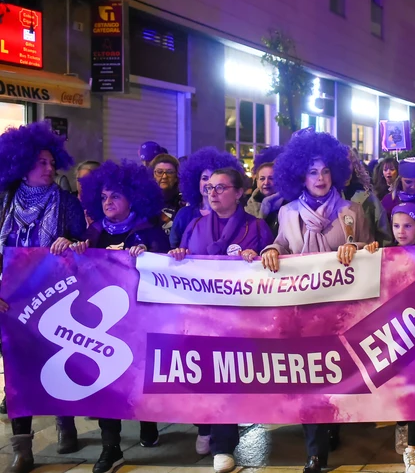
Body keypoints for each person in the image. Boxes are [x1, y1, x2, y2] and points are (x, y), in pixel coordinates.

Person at [258, 130, 372, 473]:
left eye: (324, 171)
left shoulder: (352, 211)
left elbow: (371, 251)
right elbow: (280, 243)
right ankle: (315, 453)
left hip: (341, 312)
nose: (320, 178)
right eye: (312, 172)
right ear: (299, 175)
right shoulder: (288, 212)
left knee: (336, 376)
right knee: (311, 379)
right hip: (302, 311)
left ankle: (330, 426)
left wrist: (361, 250)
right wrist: (272, 250)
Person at [169, 167, 273, 473]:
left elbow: (271, 266)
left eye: (221, 188)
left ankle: (223, 444)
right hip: (201, 316)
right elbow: (180, 259)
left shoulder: (255, 226)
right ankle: (206, 427)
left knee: (227, 377)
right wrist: (177, 255)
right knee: (203, 375)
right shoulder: (195, 225)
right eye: (210, 188)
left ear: (239, 192)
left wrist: (261, 256)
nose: (213, 193)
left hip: (240, 316)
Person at [71, 160, 169, 473]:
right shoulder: (94, 231)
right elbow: (77, 264)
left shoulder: (150, 232)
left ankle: (148, 421)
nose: (108, 202)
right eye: (102, 197)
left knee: (141, 376)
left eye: (114, 196)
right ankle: (110, 447)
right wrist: (70, 247)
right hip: (103, 322)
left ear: (133, 198)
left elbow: (167, 273)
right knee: (106, 382)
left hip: (141, 320)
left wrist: (152, 259)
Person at [0, 122, 88, 473]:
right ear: (22, 164)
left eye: (53, 162)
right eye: (41, 163)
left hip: (57, 293)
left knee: (58, 359)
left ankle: (65, 424)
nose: (50, 168)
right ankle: (23, 448)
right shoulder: (4, 200)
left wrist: (71, 246)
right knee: (18, 369)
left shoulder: (66, 203)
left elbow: (86, 248)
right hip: (12, 298)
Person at [340, 202, 415, 473]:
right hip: (391, 331)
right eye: (396, 226)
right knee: (395, 385)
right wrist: (367, 255)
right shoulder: (384, 252)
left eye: (408, 226)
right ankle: (401, 425)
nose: (401, 231)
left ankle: (413, 447)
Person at [169, 147, 241, 249]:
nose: (209, 183)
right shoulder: (184, 215)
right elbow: (174, 248)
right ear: (196, 182)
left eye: (214, 178)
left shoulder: (233, 215)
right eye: (204, 178)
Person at [344, 147, 392, 246]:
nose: (344, 167)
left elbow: (385, 238)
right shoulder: (325, 198)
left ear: (354, 165)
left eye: (348, 162)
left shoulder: (369, 199)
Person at [245, 152, 285, 236]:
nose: (266, 182)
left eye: (271, 178)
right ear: (257, 181)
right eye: (262, 179)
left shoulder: (287, 205)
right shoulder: (247, 205)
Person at [149, 153, 184, 236]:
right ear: (152, 175)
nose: (164, 176)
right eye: (159, 172)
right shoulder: (144, 201)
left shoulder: (183, 202)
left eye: (170, 172)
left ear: (176, 177)